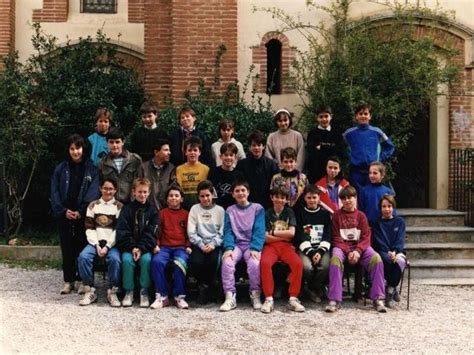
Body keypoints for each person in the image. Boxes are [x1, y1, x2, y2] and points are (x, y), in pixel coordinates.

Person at [50, 134, 100, 295]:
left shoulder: (91, 168)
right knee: (67, 247)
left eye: (78, 148)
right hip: (64, 213)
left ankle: (81, 279)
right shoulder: (61, 168)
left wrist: (81, 211)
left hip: (83, 215)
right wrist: (63, 211)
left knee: (81, 246)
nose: (75, 152)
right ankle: (68, 280)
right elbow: (54, 191)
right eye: (72, 149)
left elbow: (93, 191)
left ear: (83, 149)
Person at [325, 186, 387, 313]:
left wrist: (357, 251)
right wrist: (349, 252)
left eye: (350, 198)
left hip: (360, 248)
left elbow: (366, 238)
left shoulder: (361, 216)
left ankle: (378, 298)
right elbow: (336, 237)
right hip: (342, 248)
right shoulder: (336, 216)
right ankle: (334, 299)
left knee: (377, 259)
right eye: (344, 198)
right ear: (341, 201)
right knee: (335, 260)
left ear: (355, 198)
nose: (347, 201)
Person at [220, 181, 265, 312]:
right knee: (227, 262)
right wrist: (228, 247)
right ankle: (230, 296)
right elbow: (227, 231)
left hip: (251, 244)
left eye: (243, 190)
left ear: (248, 192)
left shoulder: (257, 208)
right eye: (237, 191)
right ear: (233, 194)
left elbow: (259, 229)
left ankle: (255, 294)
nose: (240, 193)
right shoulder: (230, 210)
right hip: (236, 245)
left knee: (254, 263)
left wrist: (255, 248)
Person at [78, 178, 123, 307]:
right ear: (100, 189)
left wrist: (108, 246)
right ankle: (90, 289)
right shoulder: (93, 205)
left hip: (111, 244)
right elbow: (89, 228)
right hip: (95, 242)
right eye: (105, 188)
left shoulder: (119, 206)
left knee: (115, 259)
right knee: (84, 257)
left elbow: (117, 230)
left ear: (115, 190)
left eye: (110, 189)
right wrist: (96, 244)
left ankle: (113, 291)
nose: (107, 191)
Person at [260, 186, 305, 313]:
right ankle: (268, 298)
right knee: (265, 263)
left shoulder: (289, 212)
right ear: (271, 198)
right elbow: (265, 238)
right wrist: (281, 237)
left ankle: (293, 298)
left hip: (286, 247)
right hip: (271, 247)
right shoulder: (267, 213)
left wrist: (273, 232)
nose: (279, 200)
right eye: (277, 197)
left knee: (298, 264)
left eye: (282, 198)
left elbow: (291, 233)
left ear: (286, 200)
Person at [116, 178, 158, 308]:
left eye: (145, 192)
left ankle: (144, 291)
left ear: (149, 192)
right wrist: (132, 247)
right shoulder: (127, 209)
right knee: (127, 260)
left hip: (145, 248)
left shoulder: (153, 211)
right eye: (139, 192)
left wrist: (140, 248)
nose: (142, 195)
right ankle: (128, 291)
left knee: (146, 260)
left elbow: (152, 233)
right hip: (129, 247)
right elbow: (122, 231)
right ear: (133, 192)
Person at [150, 185, 191, 309]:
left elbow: (190, 232)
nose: (173, 198)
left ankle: (179, 296)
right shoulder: (162, 213)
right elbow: (157, 231)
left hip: (181, 247)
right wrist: (156, 244)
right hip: (164, 247)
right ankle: (162, 297)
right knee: (157, 261)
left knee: (180, 263)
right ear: (167, 199)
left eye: (176, 196)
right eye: (171, 196)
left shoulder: (186, 214)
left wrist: (189, 245)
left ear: (181, 199)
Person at [343, 103, 395, 192]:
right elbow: (342, 148)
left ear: (370, 116)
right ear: (356, 116)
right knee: (356, 196)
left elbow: (390, 146)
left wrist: (380, 159)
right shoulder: (348, 134)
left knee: (372, 195)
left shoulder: (377, 132)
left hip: (372, 171)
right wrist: (349, 158)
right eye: (360, 114)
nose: (363, 116)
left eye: (366, 114)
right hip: (356, 172)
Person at [187, 180, 225, 304]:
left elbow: (222, 232)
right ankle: (202, 286)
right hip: (199, 243)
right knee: (196, 261)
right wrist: (200, 244)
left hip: (214, 244)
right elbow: (191, 232)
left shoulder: (220, 210)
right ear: (198, 196)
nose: (205, 199)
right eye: (202, 196)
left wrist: (213, 244)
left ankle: (209, 287)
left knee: (213, 261)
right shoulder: (194, 209)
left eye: (207, 195)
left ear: (212, 194)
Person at [294, 185, 331, 303]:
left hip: (321, 248)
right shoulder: (300, 214)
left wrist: (319, 252)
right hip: (305, 248)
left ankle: (314, 288)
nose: (312, 200)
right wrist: (311, 253)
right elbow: (300, 235)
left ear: (319, 198)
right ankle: (309, 288)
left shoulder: (324, 215)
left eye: (314, 197)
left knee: (325, 266)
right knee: (306, 267)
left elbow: (327, 235)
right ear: (304, 198)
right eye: (309, 198)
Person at [372, 195, 406, 308]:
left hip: (397, 251)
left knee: (400, 261)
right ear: (380, 208)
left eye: (389, 206)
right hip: (383, 251)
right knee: (387, 260)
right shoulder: (377, 223)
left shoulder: (400, 222)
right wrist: (388, 252)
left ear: (393, 207)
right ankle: (392, 289)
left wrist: (395, 251)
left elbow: (400, 239)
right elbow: (378, 240)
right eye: (384, 206)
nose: (387, 209)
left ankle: (391, 288)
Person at [235, 130, 279, 210]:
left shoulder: (272, 165)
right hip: (247, 205)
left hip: (267, 206)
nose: (256, 148)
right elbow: (239, 186)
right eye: (254, 145)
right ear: (249, 147)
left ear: (264, 146)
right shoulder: (241, 165)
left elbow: (276, 187)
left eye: (259, 145)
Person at [98, 127, 142, 204]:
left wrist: (134, 201)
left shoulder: (134, 160)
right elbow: (100, 185)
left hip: (130, 203)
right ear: (107, 143)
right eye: (111, 142)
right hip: (110, 203)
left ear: (123, 142)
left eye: (117, 142)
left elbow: (140, 182)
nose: (114, 145)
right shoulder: (102, 163)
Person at [305, 106, 343, 184]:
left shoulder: (337, 132)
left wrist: (322, 147)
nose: (324, 119)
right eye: (321, 117)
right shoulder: (312, 133)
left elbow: (339, 150)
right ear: (317, 118)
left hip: (333, 171)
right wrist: (331, 147)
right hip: (316, 171)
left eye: (326, 116)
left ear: (331, 116)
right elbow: (312, 151)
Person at [138, 139, 176, 210]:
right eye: (166, 150)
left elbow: (173, 188)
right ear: (156, 152)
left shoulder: (171, 168)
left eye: (169, 150)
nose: (169, 153)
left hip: (166, 209)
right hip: (146, 209)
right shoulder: (143, 168)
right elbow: (137, 187)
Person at [175, 136, 210, 210]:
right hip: (183, 207)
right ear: (185, 152)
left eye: (195, 150)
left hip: (201, 207)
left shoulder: (206, 169)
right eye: (189, 150)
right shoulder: (179, 169)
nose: (192, 153)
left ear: (199, 152)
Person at [208, 142, 245, 210]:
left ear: (235, 157)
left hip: (234, 210)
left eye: (231, 155)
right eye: (226, 155)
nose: (228, 158)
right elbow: (209, 192)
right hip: (216, 209)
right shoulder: (213, 172)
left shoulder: (239, 175)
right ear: (220, 156)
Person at [359, 161, 395, 226]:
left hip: (384, 226)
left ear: (382, 175)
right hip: (369, 226)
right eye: (370, 173)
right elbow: (361, 210)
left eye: (375, 173)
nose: (371, 175)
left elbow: (392, 210)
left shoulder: (388, 191)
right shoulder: (364, 191)